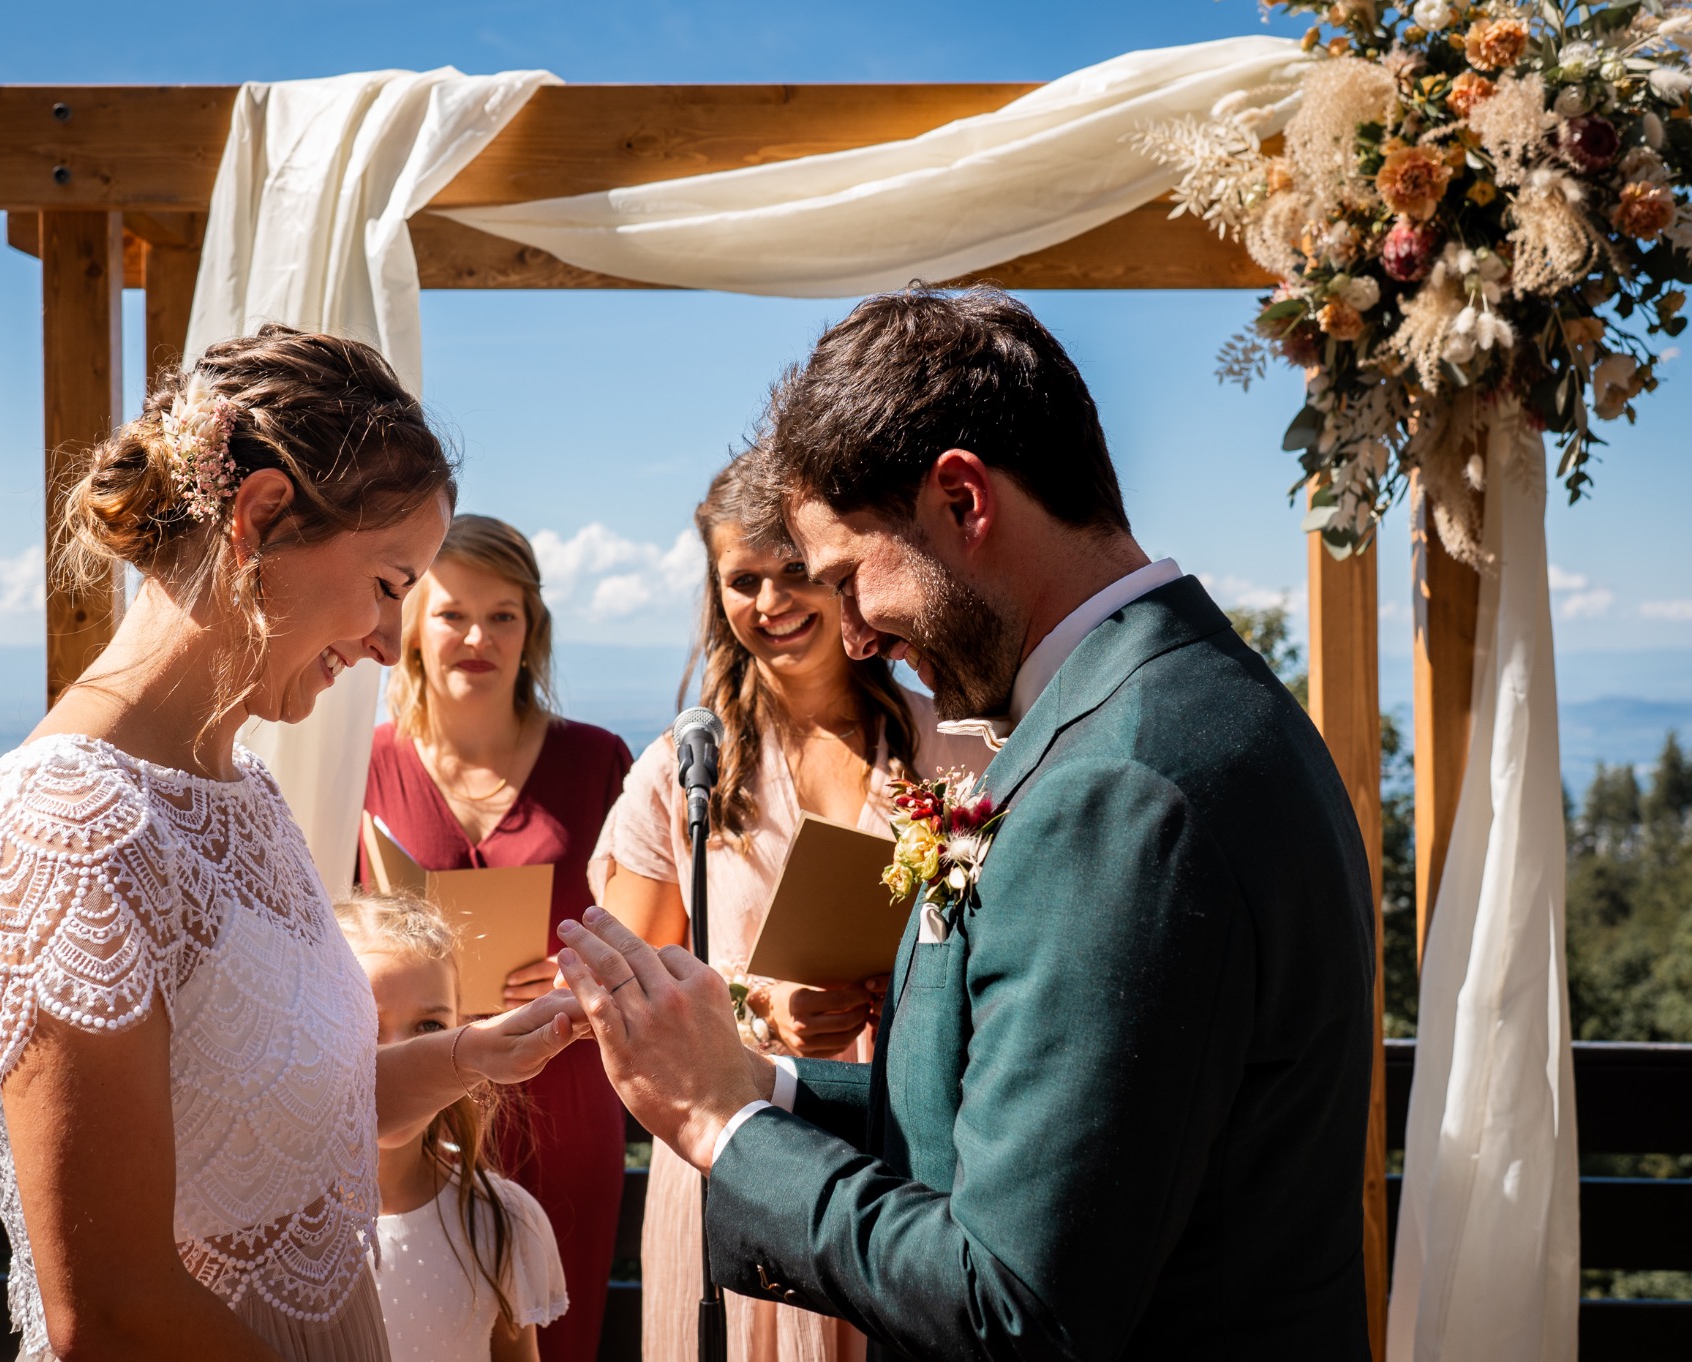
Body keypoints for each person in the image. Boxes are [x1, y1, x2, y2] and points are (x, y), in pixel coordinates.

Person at [555, 287, 1376, 1361]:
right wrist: (763, 1081)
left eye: (851, 578)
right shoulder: (1185, 697)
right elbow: (1056, 1127)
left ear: (961, 500)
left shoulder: (1117, 789)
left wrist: (730, 1130)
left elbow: (1009, 1304)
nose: (850, 636)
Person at [0, 326, 585, 1362]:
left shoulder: (245, 794)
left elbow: (279, 1135)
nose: (389, 643)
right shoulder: (67, 820)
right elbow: (107, 1314)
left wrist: (470, 1055)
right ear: (259, 516)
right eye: (388, 583)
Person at [591, 457, 991, 1362]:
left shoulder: (948, 745)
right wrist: (759, 1005)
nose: (771, 601)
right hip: (734, 1128)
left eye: (796, 571)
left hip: (911, 1134)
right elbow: (625, 985)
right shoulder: (678, 771)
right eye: (743, 579)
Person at [361, 513, 633, 1362]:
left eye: (502, 614)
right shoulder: (364, 767)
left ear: (532, 631)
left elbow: (646, 937)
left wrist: (578, 967)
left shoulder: (597, 762)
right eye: (451, 613)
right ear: (413, 627)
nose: (476, 636)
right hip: (411, 1112)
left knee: (560, 1332)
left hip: (565, 1093)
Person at [340, 889, 570, 1362]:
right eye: (364, 1024)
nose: (397, 1055)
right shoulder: (267, 1220)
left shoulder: (501, 1218)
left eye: (428, 1027)